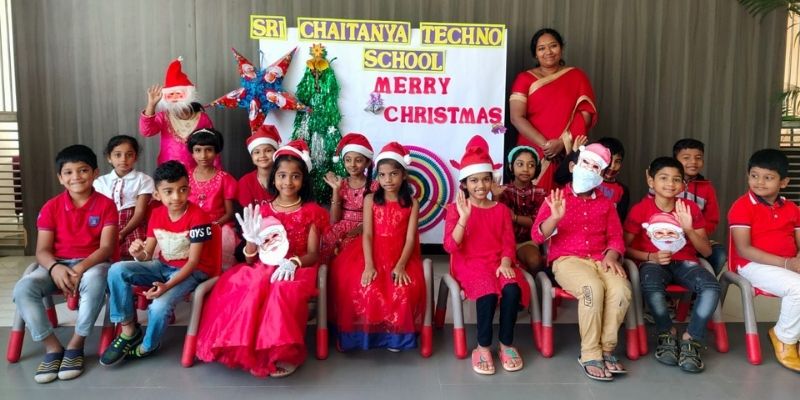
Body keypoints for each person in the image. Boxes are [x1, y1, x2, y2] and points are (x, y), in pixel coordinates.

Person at [194, 139, 329, 378]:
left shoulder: (311, 212)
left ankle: (278, 352)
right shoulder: (264, 210)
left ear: (303, 180)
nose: (288, 182)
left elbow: (312, 253)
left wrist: (294, 262)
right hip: (264, 265)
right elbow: (250, 260)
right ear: (274, 178)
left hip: (297, 268)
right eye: (282, 176)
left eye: (295, 176)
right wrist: (250, 241)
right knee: (249, 284)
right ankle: (244, 346)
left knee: (280, 290)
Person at [13, 144, 117, 383]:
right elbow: (42, 251)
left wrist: (79, 268)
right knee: (23, 288)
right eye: (68, 172)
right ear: (60, 178)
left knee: (96, 279)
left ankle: (76, 344)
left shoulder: (106, 205)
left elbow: (106, 248)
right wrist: (55, 267)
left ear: (95, 173)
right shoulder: (51, 207)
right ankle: (52, 347)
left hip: (91, 265)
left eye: (83, 170)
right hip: (55, 266)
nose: (76, 177)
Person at [100, 161, 220, 366]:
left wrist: (166, 286)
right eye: (169, 191)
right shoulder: (156, 214)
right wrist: (139, 253)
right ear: (157, 194)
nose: (176, 197)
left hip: (193, 271)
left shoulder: (199, 217)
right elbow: (148, 254)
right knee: (117, 269)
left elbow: (193, 262)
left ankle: (148, 345)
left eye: (182, 190)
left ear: (189, 189)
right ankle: (128, 329)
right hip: (163, 266)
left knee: (159, 306)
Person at [532, 143, 631, 381]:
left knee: (622, 290)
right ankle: (590, 353)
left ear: (602, 174)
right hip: (567, 260)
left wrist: (612, 254)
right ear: (573, 166)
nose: (589, 169)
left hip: (601, 259)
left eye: (596, 167)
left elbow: (616, 236)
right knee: (591, 289)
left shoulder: (606, 203)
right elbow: (537, 236)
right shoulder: (555, 198)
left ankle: (606, 349)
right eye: (585, 163)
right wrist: (554, 218)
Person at [624, 157, 719, 373]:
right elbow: (623, 247)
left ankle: (691, 339)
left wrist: (689, 229)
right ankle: (667, 333)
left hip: (686, 263)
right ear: (651, 181)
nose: (670, 184)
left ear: (683, 184)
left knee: (711, 287)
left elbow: (706, 251)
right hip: (653, 263)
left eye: (677, 179)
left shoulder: (690, 208)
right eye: (664, 178)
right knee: (651, 285)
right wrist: (650, 257)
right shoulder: (640, 210)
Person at [444, 135, 530, 375]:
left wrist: (506, 262)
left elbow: (508, 243)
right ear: (464, 184)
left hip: (497, 262)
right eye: (474, 180)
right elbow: (450, 246)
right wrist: (463, 218)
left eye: (485, 179)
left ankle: (506, 344)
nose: (480, 185)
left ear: (492, 180)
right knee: (488, 291)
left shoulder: (501, 210)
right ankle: (482, 347)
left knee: (511, 289)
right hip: (469, 263)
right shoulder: (455, 209)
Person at [331, 141, 425, 351]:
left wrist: (401, 265)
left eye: (393, 174)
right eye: (382, 175)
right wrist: (369, 265)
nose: (387, 180)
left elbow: (410, 239)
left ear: (403, 175)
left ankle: (395, 338)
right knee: (365, 285)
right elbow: (367, 234)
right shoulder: (371, 199)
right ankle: (363, 336)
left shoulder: (412, 203)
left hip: (400, 254)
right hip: (371, 252)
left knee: (402, 289)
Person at [728, 149, 800, 372]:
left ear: (784, 182)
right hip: (752, 265)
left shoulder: (792, 209)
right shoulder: (742, 206)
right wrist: (787, 263)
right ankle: (784, 338)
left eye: (768, 177)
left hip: (786, 264)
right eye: (754, 175)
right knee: (798, 287)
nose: (759, 182)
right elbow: (744, 249)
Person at [509, 28, 597, 192]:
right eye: (541, 48)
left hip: (567, 151)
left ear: (561, 48)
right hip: (532, 150)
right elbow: (516, 117)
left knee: (563, 199)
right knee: (530, 198)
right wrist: (546, 146)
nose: (548, 52)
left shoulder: (577, 76)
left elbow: (585, 115)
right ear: (535, 54)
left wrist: (562, 143)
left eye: (553, 46)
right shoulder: (524, 79)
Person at [139, 57, 219, 169]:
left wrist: (216, 172)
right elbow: (147, 131)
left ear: (188, 94)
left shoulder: (202, 118)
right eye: (171, 94)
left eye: (179, 94)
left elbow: (212, 144)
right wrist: (151, 105)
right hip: (168, 171)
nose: (175, 98)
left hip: (196, 171)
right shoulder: (163, 117)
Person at [94, 135, 154, 259]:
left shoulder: (144, 179)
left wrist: (122, 233)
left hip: (134, 225)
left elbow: (140, 212)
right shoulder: (100, 182)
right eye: (117, 155)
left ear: (135, 157)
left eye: (129, 155)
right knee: (104, 256)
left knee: (135, 255)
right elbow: (97, 211)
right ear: (109, 158)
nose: (123, 159)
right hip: (107, 225)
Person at [672, 138, 726, 276]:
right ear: (675, 160)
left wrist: (697, 234)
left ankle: (700, 285)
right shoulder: (667, 184)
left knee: (719, 254)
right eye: (686, 158)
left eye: (698, 158)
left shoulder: (707, 187)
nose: (693, 162)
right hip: (668, 236)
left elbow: (712, 219)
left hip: (696, 237)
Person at [187, 128, 238, 269]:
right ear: (192, 152)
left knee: (223, 243)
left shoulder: (225, 178)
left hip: (218, 226)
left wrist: (212, 226)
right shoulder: (185, 177)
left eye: (209, 150)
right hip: (190, 224)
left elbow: (229, 213)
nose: (203, 155)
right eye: (198, 150)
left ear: (217, 152)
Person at [321, 133, 376, 260]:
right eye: (348, 160)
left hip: (366, 228)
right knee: (330, 247)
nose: (352, 164)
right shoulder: (341, 184)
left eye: (358, 160)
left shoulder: (375, 186)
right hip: (342, 228)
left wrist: (360, 229)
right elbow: (334, 220)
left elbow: (377, 218)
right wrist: (336, 190)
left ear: (367, 163)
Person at [493, 145, 545, 273]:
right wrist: (496, 196)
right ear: (511, 167)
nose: (525, 169)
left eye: (531, 165)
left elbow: (538, 223)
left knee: (534, 260)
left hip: (526, 242)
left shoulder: (541, 193)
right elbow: (495, 219)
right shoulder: (503, 190)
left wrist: (515, 218)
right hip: (502, 243)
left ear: (537, 168)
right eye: (520, 164)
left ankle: (536, 283)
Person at [238, 124, 281, 208]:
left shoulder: (285, 178)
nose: (262, 155)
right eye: (257, 152)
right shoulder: (245, 182)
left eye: (268, 150)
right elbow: (249, 212)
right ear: (252, 156)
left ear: (276, 153)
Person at [596, 137, 630, 221]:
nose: (612, 166)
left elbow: (620, 220)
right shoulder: (588, 182)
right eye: (609, 159)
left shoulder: (623, 190)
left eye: (617, 161)